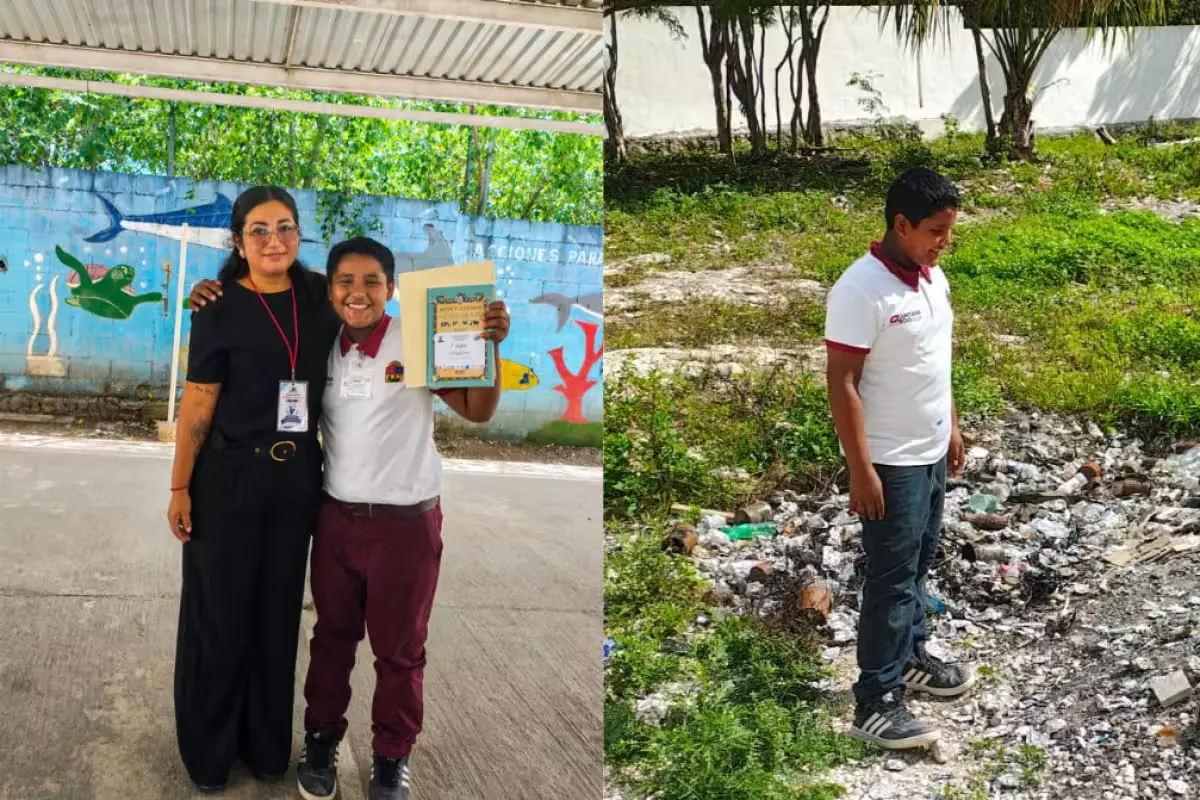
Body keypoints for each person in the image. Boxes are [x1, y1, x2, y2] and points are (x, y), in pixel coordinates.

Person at [189, 237, 509, 800]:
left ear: (390, 288)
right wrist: (213, 292)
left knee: (400, 652)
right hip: (335, 519)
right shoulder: (319, 343)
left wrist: (490, 349)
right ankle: (321, 741)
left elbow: (479, 411)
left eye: (371, 283)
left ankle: (391, 757)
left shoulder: (419, 340)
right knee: (332, 640)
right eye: (345, 282)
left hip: (406, 525)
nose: (357, 294)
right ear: (328, 288)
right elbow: (260, 308)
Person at [167, 185, 340, 791]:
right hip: (227, 482)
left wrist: (477, 324)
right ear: (238, 241)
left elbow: (384, 307)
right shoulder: (216, 308)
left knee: (274, 618)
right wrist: (180, 487)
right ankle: (209, 753)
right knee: (220, 616)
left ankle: (266, 746)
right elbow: (199, 403)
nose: (274, 240)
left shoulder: (321, 297)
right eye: (260, 230)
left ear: (299, 235)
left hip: (295, 486)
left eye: (285, 227)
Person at [823, 167, 975, 751]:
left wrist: (953, 428)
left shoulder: (931, 277)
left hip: (931, 451)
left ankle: (910, 657)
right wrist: (861, 468)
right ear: (901, 224)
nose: (944, 242)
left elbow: (935, 361)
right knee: (890, 579)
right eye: (936, 231)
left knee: (918, 565)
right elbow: (843, 384)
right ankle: (876, 701)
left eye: (949, 231)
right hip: (891, 464)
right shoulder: (860, 291)